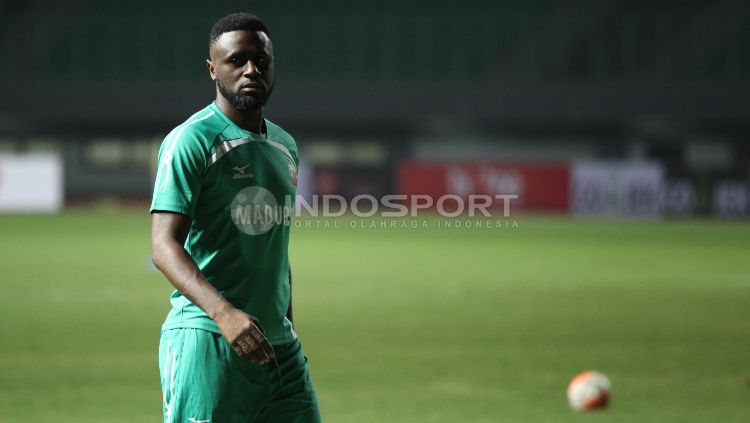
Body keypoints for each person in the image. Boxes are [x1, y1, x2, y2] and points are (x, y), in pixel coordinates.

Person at [150, 12, 321, 423]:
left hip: (279, 349)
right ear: (213, 68)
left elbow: (274, 248)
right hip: (208, 341)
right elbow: (162, 245)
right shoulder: (191, 140)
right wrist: (224, 314)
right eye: (237, 60)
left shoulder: (284, 145)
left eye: (261, 60)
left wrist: (288, 326)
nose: (251, 70)